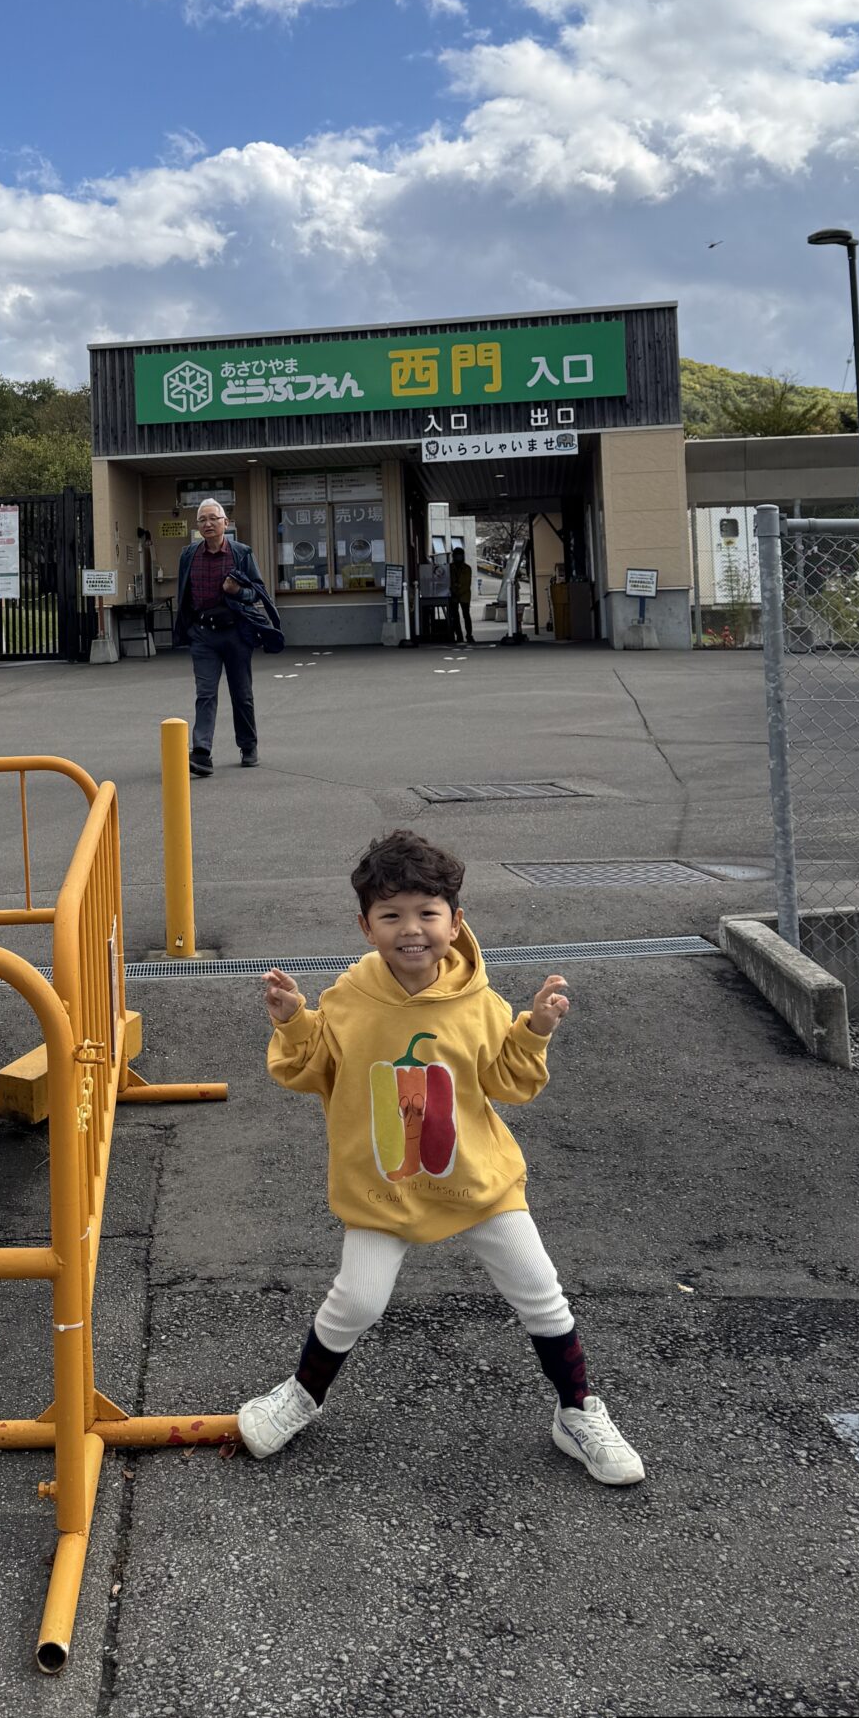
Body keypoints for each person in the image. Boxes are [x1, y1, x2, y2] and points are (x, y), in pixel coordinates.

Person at [234, 826, 645, 1485]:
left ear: (455, 923)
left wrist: (534, 1028)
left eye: (427, 913)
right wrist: (292, 1020)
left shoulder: (477, 1002)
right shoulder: (347, 1001)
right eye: (391, 915)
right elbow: (310, 1068)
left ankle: (577, 1412)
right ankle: (301, 1396)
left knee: (541, 1295)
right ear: (365, 926)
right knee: (357, 1302)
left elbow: (509, 1080)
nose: (411, 929)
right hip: (383, 1186)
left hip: (477, 1180)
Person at [171, 496, 275, 777]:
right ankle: (202, 753)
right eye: (202, 520)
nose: (207, 524)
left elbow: (258, 591)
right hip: (203, 634)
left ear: (225, 523)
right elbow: (184, 592)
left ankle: (248, 746)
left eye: (213, 519)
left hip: (236, 632)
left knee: (241, 694)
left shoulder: (241, 553)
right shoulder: (188, 555)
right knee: (205, 693)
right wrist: (190, 628)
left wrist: (237, 592)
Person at [449, 543, 475, 644]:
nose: (458, 558)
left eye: (460, 556)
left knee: (466, 615)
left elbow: (466, 583)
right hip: (454, 595)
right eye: (457, 556)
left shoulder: (467, 568)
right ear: (454, 557)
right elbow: (448, 581)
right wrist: (453, 591)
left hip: (464, 595)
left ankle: (469, 634)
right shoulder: (450, 568)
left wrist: (457, 591)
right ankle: (459, 635)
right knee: (455, 616)